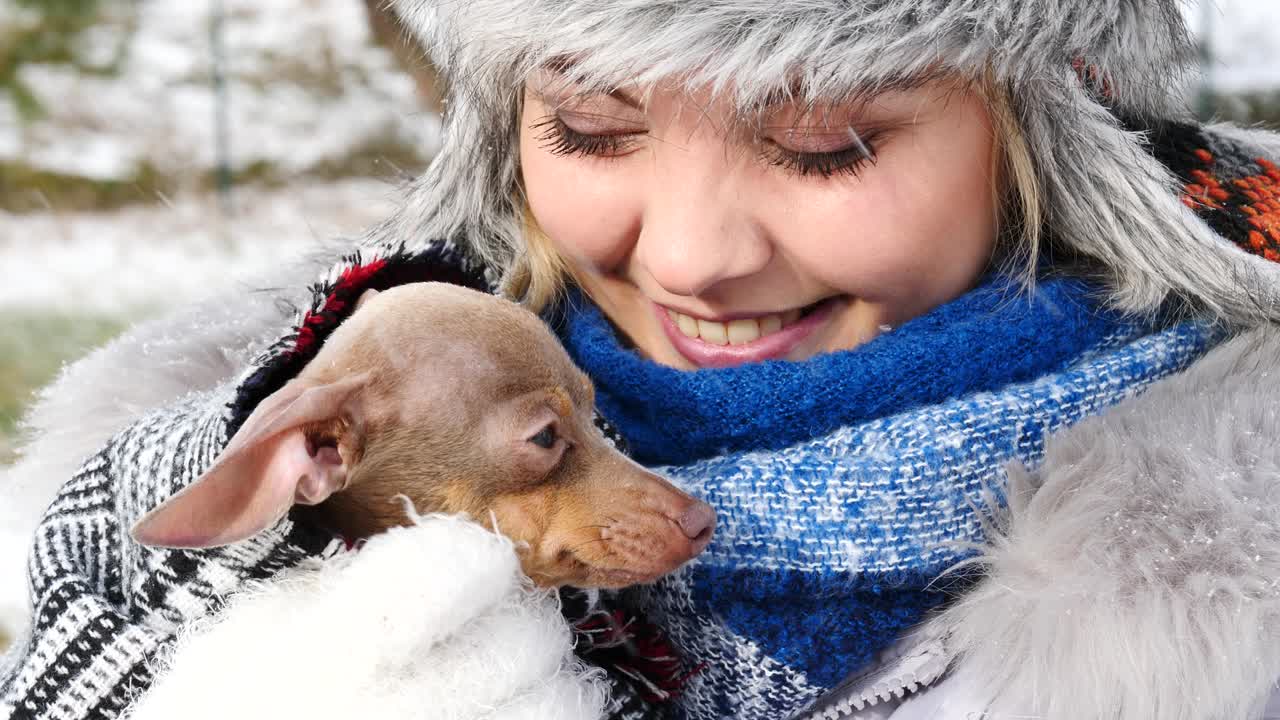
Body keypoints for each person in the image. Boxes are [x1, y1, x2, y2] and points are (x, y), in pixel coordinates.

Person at [4, 1, 1280, 718]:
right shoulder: (223, 437)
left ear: (1053, 126)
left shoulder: (1226, 632)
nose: (687, 259)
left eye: (824, 145)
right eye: (592, 128)